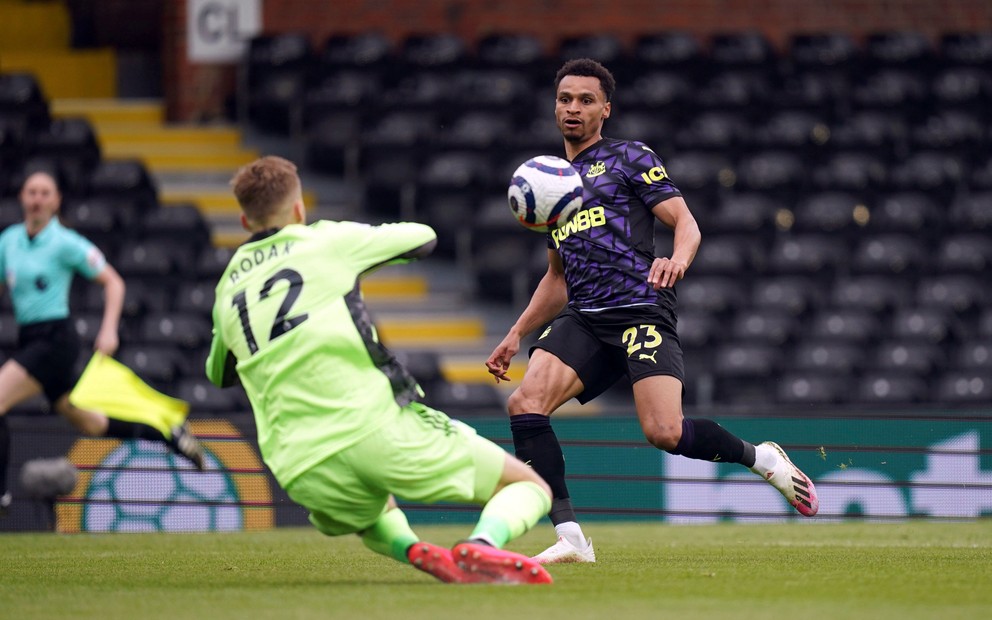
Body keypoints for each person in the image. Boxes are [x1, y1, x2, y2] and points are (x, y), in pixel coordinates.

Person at [485, 59, 820, 564]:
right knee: (524, 403)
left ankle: (761, 458)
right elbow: (557, 277)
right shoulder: (551, 183)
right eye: (565, 99)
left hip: (640, 309)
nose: (573, 108)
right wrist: (516, 333)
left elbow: (686, 222)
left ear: (605, 110)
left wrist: (676, 260)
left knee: (664, 432)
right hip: (585, 317)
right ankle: (571, 536)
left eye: (585, 100)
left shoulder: (627, 158)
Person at [205, 156, 554, 584]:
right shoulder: (325, 241)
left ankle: (414, 549)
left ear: (244, 220)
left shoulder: (228, 289)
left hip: (298, 462)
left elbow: (219, 373)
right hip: (371, 427)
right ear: (299, 209)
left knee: (371, 512)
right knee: (529, 487)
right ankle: (481, 546)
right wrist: (348, 254)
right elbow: (422, 238)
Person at [0, 171, 204, 514]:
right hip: (29, 338)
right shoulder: (9, 240)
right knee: (90, 423)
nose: (37, 199)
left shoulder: (65, 242)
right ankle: (167, 432)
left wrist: (109, 329)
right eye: (31, 191)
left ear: (56, 201)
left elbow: (114, 283)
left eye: (44, 193)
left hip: (55, 339)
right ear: (21, 197)